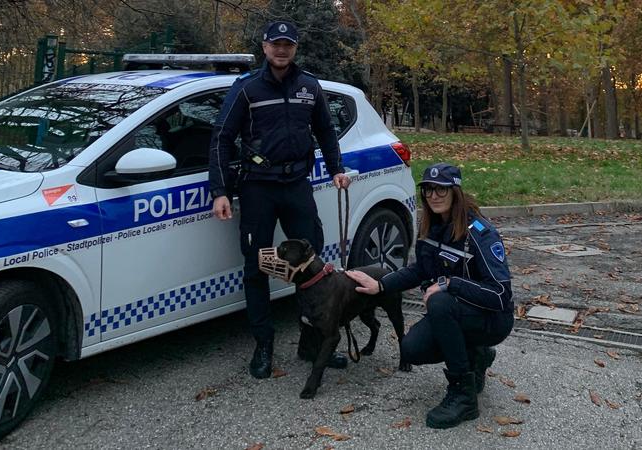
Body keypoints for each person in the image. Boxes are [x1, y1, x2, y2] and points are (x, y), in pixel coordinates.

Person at [208, 20, 351, 379]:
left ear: (295, 48)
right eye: (276, 44)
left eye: (288, 44)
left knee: (312, 268)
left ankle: (311, 343)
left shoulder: (309, 86)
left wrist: (336, 168)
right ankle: (264, 346)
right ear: (265, 47)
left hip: (297, 185)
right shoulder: (246, 88)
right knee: (256, 268)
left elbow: (325, 130)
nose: (282, 50)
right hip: (258, 187)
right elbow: (222, 138)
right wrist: (220, 190)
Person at [346, 162, 514, 429]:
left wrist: (451, 284)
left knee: (440, 301)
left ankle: (463, 396)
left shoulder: (480, 234)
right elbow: (419, 270)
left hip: (492, 318)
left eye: (441, 190)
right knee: (411, 349)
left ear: (455, 192)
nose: (433, 196)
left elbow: (501, 295)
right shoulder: (431, 227)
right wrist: (381, 285)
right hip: (457, 311)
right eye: (428, 190)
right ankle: (477, 355)